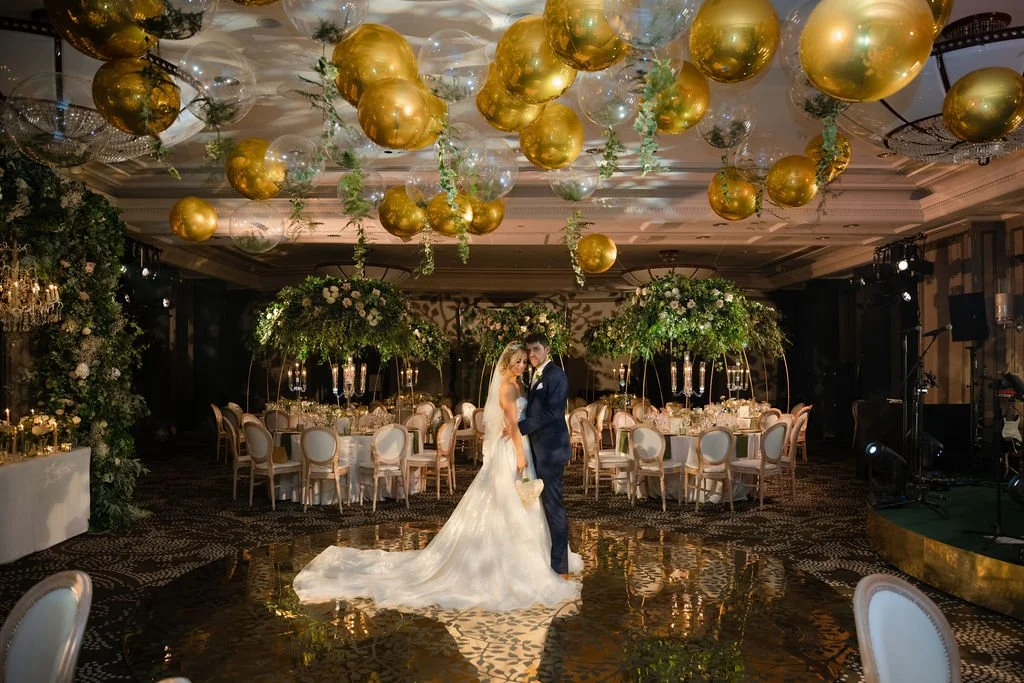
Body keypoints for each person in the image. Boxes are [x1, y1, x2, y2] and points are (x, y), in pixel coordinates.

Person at [292, 342, 581, 610]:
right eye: (517, 361)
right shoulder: (507, 388)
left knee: (524, 505)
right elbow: (512, 426)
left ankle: (537, 559)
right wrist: (519, 453)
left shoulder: (521, 383)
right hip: (514, 451)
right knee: (511, 503)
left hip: (525, 448)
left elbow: (526, 419)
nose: (521, 365)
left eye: (523, 361)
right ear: (506, 364)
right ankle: (513, 564)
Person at [519, 332, 573, 577]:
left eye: (536, 350)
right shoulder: (535, 375)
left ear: (547, 350)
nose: (532, 355)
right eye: (529, 351)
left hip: (551, 451)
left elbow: (554, 413)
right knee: (542, 504)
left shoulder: (556, 375)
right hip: (538, 450)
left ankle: (560, 565)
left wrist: (522, 426)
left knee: (553, 505)